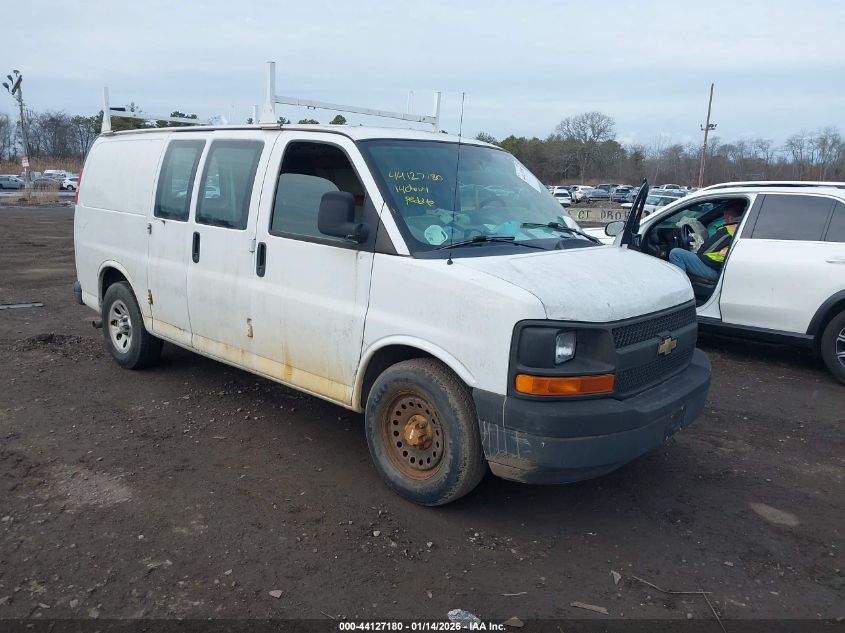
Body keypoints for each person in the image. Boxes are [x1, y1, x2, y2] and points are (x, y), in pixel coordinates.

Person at [668, 200, 745, 281]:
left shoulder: (728, 230)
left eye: (725, 218)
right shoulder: (742, 228)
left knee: (676, 253)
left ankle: (681, 286)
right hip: (726, 268)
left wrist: (694, 251)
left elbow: (704, 251)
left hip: (717, 270)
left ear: (730, 218)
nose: (725, 220)